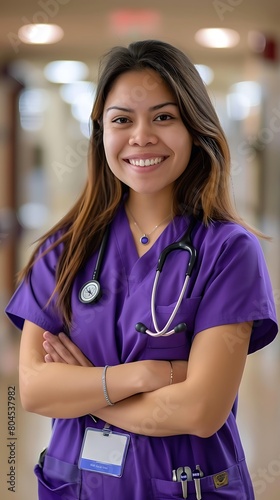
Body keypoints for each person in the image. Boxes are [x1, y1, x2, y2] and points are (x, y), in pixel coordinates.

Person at [5, 39, 278, 499]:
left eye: (164, 117)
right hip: (76, 485)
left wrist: (89, 392)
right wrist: (148, 375)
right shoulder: (64, 248)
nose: (141, 136)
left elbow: (201, 410)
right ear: (101, 134)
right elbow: (33, 390)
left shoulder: (230, 251)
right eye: (122, 120)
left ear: (195, 126)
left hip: (185, 485)